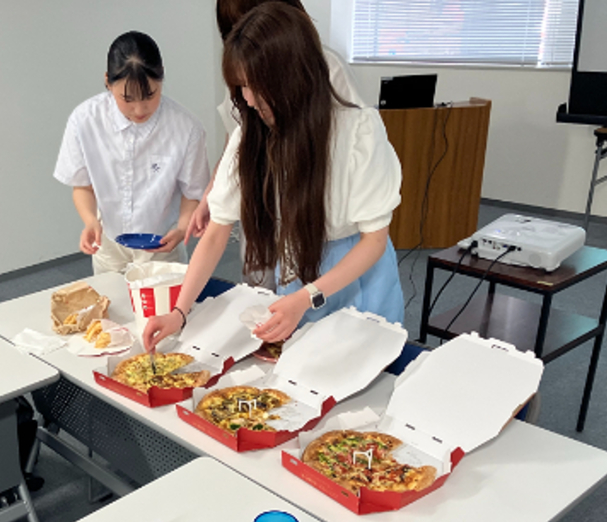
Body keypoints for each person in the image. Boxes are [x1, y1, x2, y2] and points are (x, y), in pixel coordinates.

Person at [143, 3, 404, 352]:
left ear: (292, 76)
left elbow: (373, 241)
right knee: (299, 363)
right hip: (299, 261)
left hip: (357, 271)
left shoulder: (359, 131)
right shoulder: (251, 133)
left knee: (362, 365)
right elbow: (216, 233)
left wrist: (307, 297)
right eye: (241, 86)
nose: (248, 100)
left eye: (255, 86)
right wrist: (179, 312)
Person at [187, 0, 368, 288]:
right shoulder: (243, 74)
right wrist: (213, 192)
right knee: (261, 291)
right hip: (262, 206)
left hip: (313, 215)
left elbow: (352, 149)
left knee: (313, 291)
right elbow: (235, 140)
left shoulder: (326, 68)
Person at [54, 31, 210, 274]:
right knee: (110, 297)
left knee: (164, 298)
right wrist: (90, 221)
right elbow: (82, 187)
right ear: (108, 82)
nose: (139, 109)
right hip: (108, 242)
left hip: (162, 244)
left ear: (162, 77)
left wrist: (181, 228)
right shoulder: (84, 121)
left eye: (150, 95)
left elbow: (194, 193)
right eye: (127, 98)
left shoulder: (186, 128)